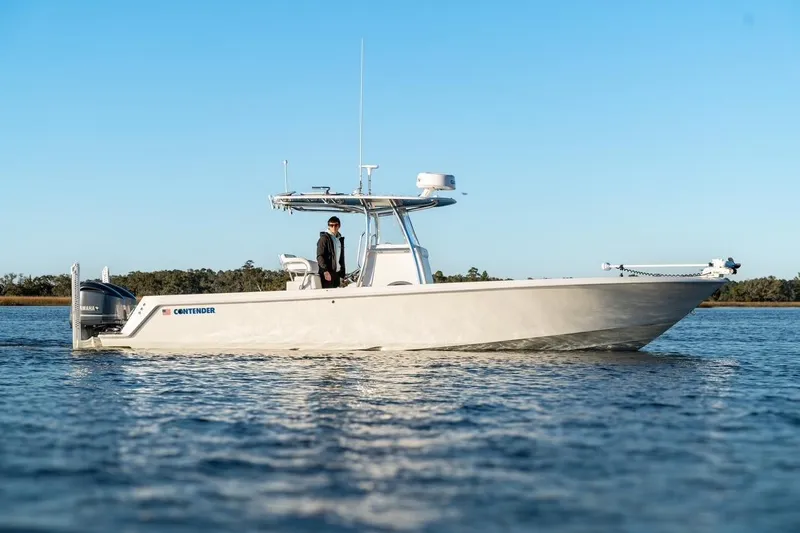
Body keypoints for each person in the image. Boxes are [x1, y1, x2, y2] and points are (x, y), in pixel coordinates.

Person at [316, 216, 345, 288]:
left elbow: (341, 257)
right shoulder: (324, 239)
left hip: (336, 274)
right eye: (331, 225)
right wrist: (325, 271)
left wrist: (342, 274)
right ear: (328, 226)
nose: (333, 227)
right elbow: (320, 256)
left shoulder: (339, 240)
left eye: (336, 225)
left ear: (339, 226)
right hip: (327, 273)